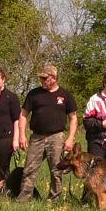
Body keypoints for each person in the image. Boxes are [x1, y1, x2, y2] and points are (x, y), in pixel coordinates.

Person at [16, 64, 77, 203]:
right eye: (41, 78)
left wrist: (70, 139)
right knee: (29, 169)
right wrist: (21, 135)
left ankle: (54, 200)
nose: (42, 81)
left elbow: (73, 118)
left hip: (56, 137)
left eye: (45, 78)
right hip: (37, 137)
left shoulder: (65, 95)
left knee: (56, 170)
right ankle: (24, 199)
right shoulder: (34, 94)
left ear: (54, 78)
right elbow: (23, 115)